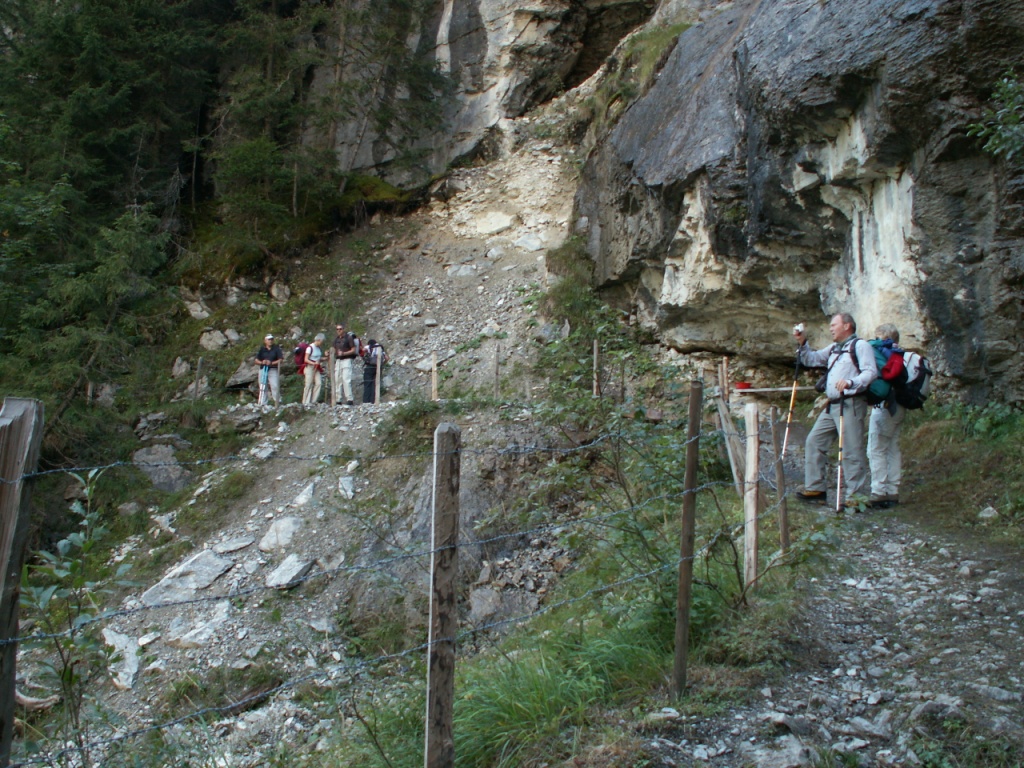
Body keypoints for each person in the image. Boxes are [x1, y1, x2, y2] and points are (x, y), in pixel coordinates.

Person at [793, 313, 878, 506]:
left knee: (851, 448)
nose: (831, 328)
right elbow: (811, 359)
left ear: (846, 326)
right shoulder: (834, 348)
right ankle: (816, 488)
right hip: (832, 404)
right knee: (814, 441)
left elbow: (871, 372)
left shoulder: (860, 346)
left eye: (834, 325)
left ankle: (855, 496)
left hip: (851, 402)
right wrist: (802, 342)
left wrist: (851, 382)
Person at [868, 323, 904, 509]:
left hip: (885, 405)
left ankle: (878, 492)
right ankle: (893, 490)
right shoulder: (901, 355)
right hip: (900, 405)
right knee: (892, 447)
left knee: (876, 448)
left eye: (877, 337)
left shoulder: (882, 353)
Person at [332, 322, 359, 406]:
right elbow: (333, 349)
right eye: (337, 329)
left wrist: (344, 353)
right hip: (338, 360)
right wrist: (329, 353)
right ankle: (338, 399)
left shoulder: (349, 338)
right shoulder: (336, 339)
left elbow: (353, 350)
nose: (339, 331)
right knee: (337, 380)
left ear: (343, 329)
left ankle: (349, 399)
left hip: (347, 359)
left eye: (340, 329)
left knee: (346, 379)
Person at [255, 334, 283, 407]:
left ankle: (278, 402)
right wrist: (262, 362)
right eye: (269, 339)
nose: (270, 341)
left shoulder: (276, 349)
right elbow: (256, 360)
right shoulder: (262, 349)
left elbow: (280, 359)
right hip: (263, 369)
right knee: (262, 386)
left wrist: (271, 363)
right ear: (265, 341)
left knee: (275, 385)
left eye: (271, 339)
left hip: (273, 369)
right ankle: (262, 403)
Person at [361, 338, 388, 405]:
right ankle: (373, 401)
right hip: (378, 367)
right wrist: (382, 364)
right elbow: (387, 358)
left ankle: (366, 401)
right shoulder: (380, 348)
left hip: (369, 367)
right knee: (375, 384)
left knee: (367, 384)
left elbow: (362, 351)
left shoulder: (369, 346)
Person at [302, 333, 325, 405]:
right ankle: (306, 402)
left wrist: (326, 358)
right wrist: (314, 363)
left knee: (319, 383)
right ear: (319, 340)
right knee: (308, 384)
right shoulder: (310, 348)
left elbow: (319, 358)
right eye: (321, 341)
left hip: (316, 368)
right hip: (309, 367)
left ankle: (313, 401)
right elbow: (306, 359)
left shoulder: (319, 348)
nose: (322, 343)